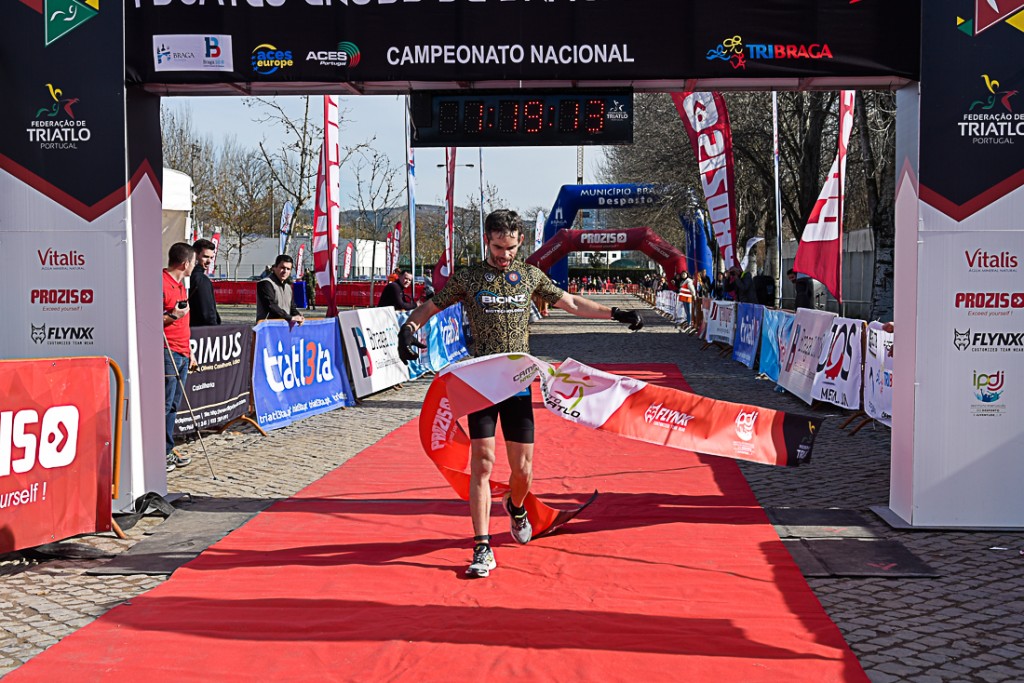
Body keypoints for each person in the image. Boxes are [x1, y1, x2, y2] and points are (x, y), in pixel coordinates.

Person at [396, 209, 644, 579]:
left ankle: (516, 505)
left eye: (510, 248)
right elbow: (432, 305)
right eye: (498, 247)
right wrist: (409, 327)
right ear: (487, 239)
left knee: (522, 470)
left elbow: (573, 303)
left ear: (520, 242)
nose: (504, 255)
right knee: (482, 462)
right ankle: (481, 547)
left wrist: (616, 312)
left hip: (517, 383)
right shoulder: (469, 277)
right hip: (480, 381)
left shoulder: (529, 276)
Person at [162, 242, 197, 473]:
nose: (194, 267)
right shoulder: (161, 283)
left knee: (174, 404)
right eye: (193, 262)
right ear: (185, 264)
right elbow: (148, 320)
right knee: (164, 404)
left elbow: (184, 322)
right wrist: (173, 315)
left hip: (183, 351)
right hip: (167, 351)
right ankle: (159, 452)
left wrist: (191, 352)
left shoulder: (181, 286)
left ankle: (167, 448)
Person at [256, 254, 305, 324]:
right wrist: (290, 318)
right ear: (274, 267)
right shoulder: (265, 283)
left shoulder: (288, 287)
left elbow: (292, 308)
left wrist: (298, 316)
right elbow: (270, 305)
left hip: (284, 329)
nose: (285, 271)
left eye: (288, 269)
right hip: (268, 329)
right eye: (282, 267)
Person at [188, 238, 221, 327]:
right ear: (195, 255)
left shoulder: (187, 276)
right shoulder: (201, 280)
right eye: (205, 257)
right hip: (202, 332)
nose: (209, 261)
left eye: (211, 257)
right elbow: (208, 314)